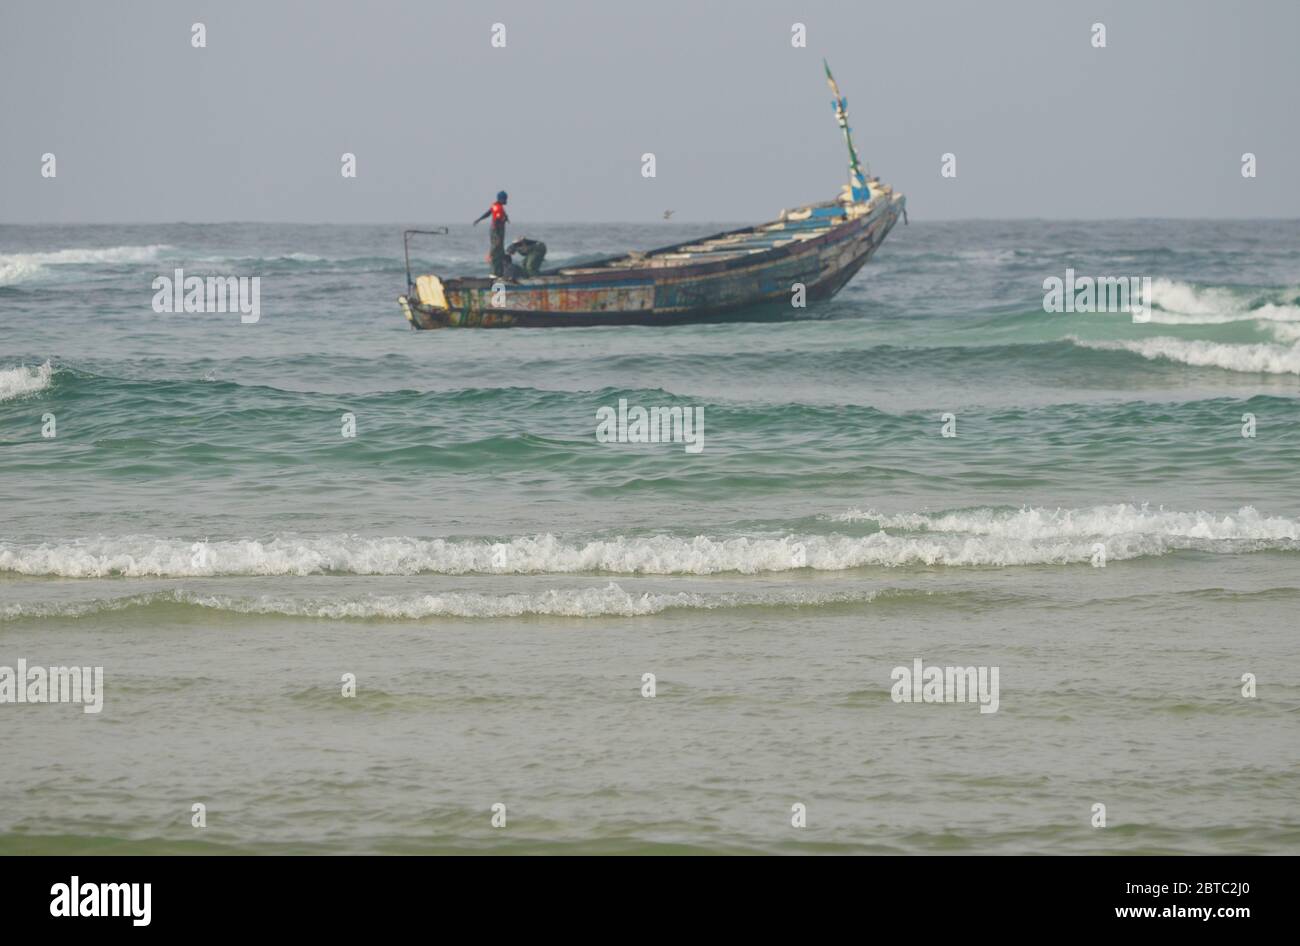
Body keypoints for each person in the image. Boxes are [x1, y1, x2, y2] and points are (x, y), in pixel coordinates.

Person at [473, 191, 509, 277]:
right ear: (502, 199)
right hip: (497, 231)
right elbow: (497, 220)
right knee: (496, 249)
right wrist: (497, 233)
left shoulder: (496, 206)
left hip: (498, 231)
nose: (506, 201)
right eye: (505, 199)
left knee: (500, 252)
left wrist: (479, 219)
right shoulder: (498, 208)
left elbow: (488, 213)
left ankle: (499, 273)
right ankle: (493, 271)